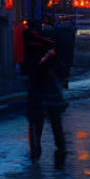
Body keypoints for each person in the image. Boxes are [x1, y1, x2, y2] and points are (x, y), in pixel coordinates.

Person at [21, 20, 68, 166]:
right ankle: (60, 152)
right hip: (49, 91)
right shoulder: (49, 48)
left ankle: (35, 155)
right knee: (55, 124)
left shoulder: (26, 46)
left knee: (36, 123)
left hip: (36, 91)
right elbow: (58, 68)